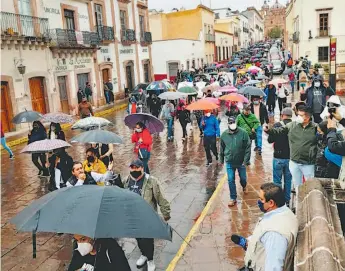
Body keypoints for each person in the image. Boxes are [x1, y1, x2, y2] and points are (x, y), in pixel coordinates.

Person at [235, 183, 298, 271]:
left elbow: (274, 267)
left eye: (261, 199)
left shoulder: (274, 234)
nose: (259, 202)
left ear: (271, 203)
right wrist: (251, 242)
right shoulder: (285, 212)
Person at [123, 159, 171, 271]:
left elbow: (161, 198)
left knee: (148, 240)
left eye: (137, 167)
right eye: (132, 167)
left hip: (147, 216)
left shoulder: (151, 181)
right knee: (139, 238)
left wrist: (166, 213)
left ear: (142, 168)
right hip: (133, 217)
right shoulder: (126, 181)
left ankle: (150, 260)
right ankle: (144, 254)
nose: (134, 170)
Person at [265, 106, 318, 187]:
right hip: (294, 161)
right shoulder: (292, 125)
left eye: (301, 115)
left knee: (310, 185)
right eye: (298, 115)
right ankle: (297, 198)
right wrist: (269, 130)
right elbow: (279, 131)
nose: (298, 117)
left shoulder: (315, 128)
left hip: (308, 163)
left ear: (307, 117)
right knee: (297, 185)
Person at [219, 117, 251, 207]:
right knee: (230, 179)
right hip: (229, 161)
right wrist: (221, 159)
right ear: (228, 124)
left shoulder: (243, 133)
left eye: (233, 122)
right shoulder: (224, 135)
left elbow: (248, 147)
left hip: (241, 162)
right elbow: (221, 148)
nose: (232, 124)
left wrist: (246, 160)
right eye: (230, 122)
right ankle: (233, 198)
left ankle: (244, 186)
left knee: (243, 178)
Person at [267, 107, 293, 204]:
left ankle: (278, 201)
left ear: (282, 115)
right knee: (288, 181)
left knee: (277, 181)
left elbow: (270, 140)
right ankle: (287, 201)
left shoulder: (277, 125)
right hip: (290, 158)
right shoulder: (294, 126)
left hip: (278, 157)